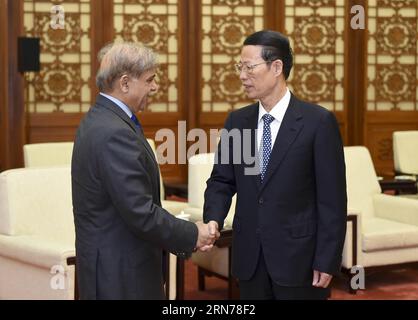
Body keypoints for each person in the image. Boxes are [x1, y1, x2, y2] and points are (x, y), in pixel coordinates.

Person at [203, 30, 347, 300]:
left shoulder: (318, 123)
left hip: (300, 261)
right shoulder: (238, 122)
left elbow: (332, 200)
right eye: (239, 67)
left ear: (277, 67)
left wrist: (327, 259)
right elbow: (222, 180)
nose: (242, 76)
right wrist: (213, 219)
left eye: (249, 67)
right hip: (250, 261)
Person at [71, 42, 218, 300]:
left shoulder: (102, 119)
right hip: (120, 274)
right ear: (125, 83)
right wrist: (194, 233)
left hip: (114, 266)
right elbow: (140, 212)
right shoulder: (113, 132)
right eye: (150, 79)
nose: (155, 87)